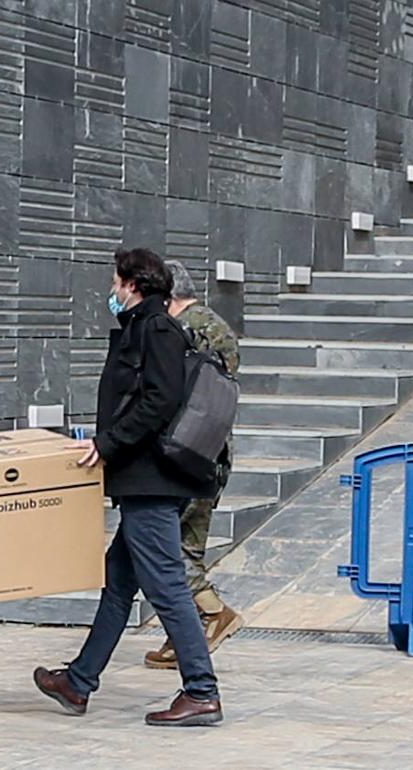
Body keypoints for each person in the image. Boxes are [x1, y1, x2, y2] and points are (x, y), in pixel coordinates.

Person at [33, 247, 224, 727]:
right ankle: (78, 682)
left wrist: (109, 442)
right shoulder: (145, 326)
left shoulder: (157, 329)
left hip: (152, 480)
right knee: (118, 582)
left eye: (117, 283)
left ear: (134, 285)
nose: (113, 291)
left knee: (168, 586)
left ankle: (201, 691)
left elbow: (160, 400)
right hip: (143, 478)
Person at [142, 260, 244, 670]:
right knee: (184, 544)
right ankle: (182, 634)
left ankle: (213, 612)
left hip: (188, 453)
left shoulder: (188, 328)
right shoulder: (214, 323)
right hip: (207, 451)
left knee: (174, 549)